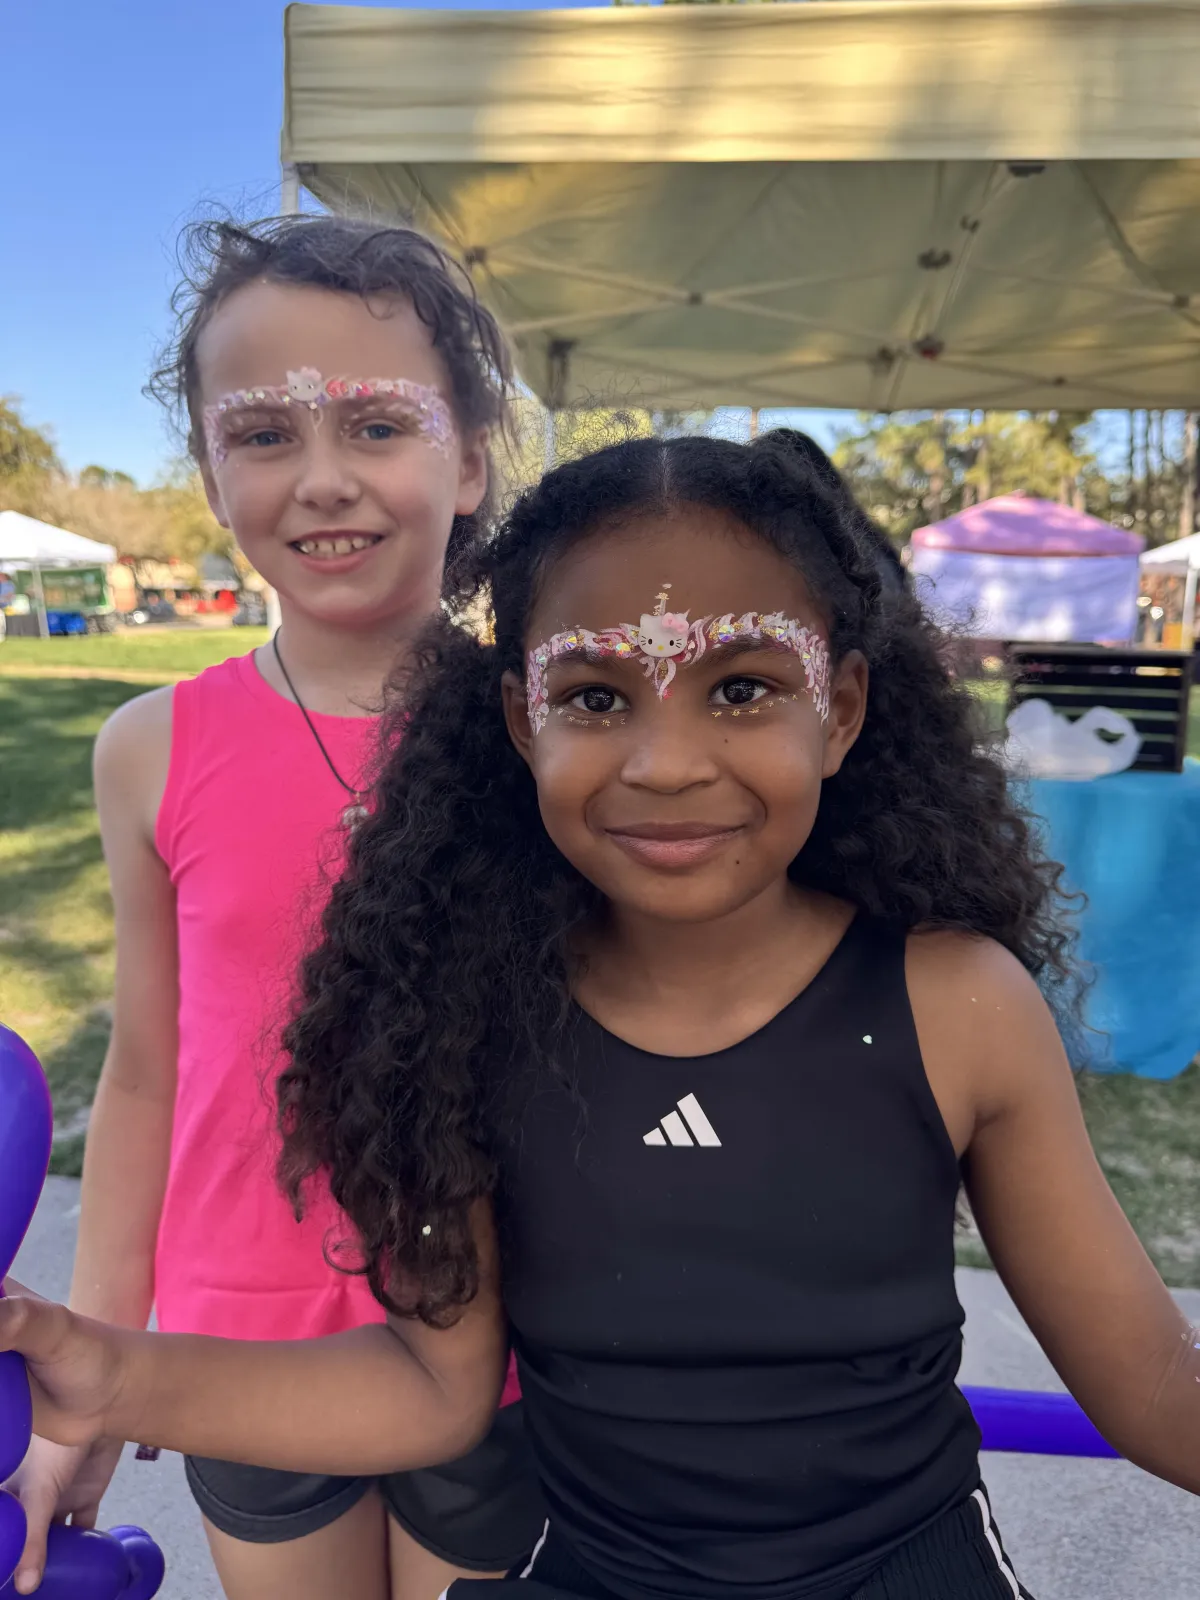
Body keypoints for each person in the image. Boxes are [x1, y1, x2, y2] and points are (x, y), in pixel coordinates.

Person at [5, 432, 1200, 1600]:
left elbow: (1151, 1385)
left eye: (743, 687)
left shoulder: (959, 1005)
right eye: (593, 694)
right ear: (524, 721)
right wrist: (109, 1373)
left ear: (838, 710)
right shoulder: (463, 1022)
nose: (666, 762)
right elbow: (431, 1387)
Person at [4, 215, 544, 1600]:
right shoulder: (149, 749)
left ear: (470, 457)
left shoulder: (548, 737)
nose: (323, 480)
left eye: (377, 423)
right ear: (208, 471)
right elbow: (146, 1076)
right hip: (236, 1344)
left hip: (506, 1338)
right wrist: (95, 1377)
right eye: (261, 434)